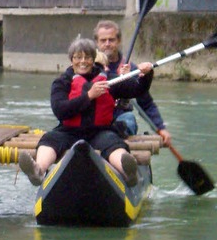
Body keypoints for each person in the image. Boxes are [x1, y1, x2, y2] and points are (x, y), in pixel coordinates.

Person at [18, 38, 155, 187]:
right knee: (49, 139)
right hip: (69, 131)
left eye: (87, 57)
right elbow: (60, 110)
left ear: (93, 59)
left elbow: (137, 89)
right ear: (72, 60)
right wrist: (89, 96)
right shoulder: (62, 82)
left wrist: (146, 75)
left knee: (113, 143)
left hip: (100, 131)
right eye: (78, 57)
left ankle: (128, 172)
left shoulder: (108, 80)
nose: (83, 61)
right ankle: (38, 171)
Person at [93, 20, 171, 146]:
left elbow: (146, 103)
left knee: (129, 119)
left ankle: (113, 140)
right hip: (94, 118)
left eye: (111, 40)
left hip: (120, 119)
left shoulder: (132, 69)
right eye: (103, 40)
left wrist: (160, 128)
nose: (107, 44)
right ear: (97, 42)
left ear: (118, 41)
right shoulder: (87, 66)